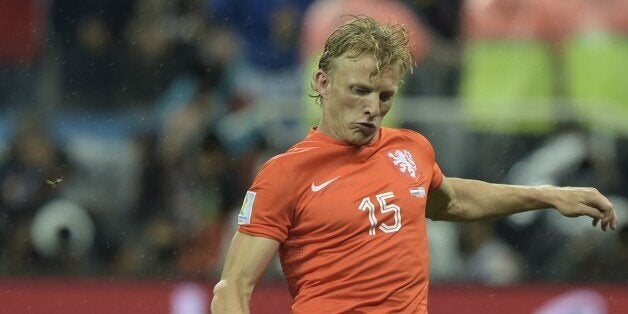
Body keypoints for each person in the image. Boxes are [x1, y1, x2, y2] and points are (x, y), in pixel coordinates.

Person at [211, 16, 618, 313]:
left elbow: (453, 201)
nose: (373, 108)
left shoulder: (410, 149)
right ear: (322, 83)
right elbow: (231, 289)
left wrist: (549, 196)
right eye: (360, 91)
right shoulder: (285, 173)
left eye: (385, 96)